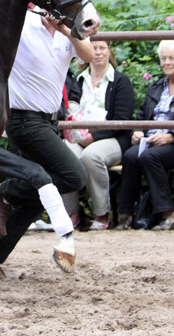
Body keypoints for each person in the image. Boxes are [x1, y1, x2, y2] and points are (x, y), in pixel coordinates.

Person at [0, 7, 93, 279]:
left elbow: (89, 55)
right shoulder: (22, 24)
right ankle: (7, 191)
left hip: (50, 122)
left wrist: (65, 30)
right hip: (24, 121)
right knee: (73, 175)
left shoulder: (66, 31)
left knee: (34, 201)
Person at [116, 40, 174, 231]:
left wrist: (171, 136)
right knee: (130, 156)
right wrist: (137, 131)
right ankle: (127, 215)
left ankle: (168, 215)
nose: (167, 62)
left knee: (150, 157)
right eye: (163, 58)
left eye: (172, 58)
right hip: (151, 141)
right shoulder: (155, 86)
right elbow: (140, 117)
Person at [61, 40, 135, 230]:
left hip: (112, 138)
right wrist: (76, 133)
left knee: (91, 156)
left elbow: (122, 120)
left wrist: (93, 136)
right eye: (94, 48)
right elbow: (70, 111)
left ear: (110, 51)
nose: (98, 52)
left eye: (103, 48)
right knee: (63, 154)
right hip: (80, 136)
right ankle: (72, 214)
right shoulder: (78, 80)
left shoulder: (120, 81)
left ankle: (102, 214)